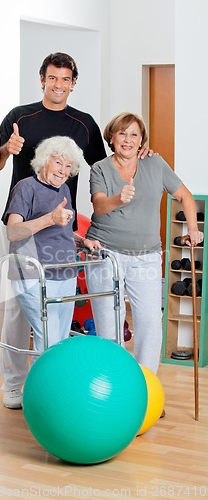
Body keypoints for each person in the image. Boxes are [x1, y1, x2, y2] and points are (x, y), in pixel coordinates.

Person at [0, 52, 152, 409]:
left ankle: (48, 383)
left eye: (65, 79)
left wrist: (137, 153)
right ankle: (13, 384)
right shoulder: (19, 117)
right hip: (23, 224)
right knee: (18, 312)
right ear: (42, 79)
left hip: (61, 227)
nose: (58, 85)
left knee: (57, 314)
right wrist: (8, 148)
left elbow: (107, 163)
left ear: (72, 83)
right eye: (52, 77)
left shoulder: (83, 123)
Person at [84, 112, 203, 378]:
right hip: (105, 253)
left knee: (150, 321)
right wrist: (119, 199)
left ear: (142, 141)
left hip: (146, 255)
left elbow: (184, 196)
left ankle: (146, 388)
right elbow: (99, 205)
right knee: (108, 325)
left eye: (134, 134)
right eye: (122, 133)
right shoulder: (100, 168)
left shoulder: (155, 163)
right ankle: (115, 385)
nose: (128, 139)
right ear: (111, 138)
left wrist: (193, 229)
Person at [3, 136, 101, 363]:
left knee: (59, 338)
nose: (63, 170)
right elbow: (13, 231)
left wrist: (81, 241)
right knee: (48, 337)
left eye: (68, 166)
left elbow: (61, 232)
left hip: (64, 272)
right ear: (44, 160)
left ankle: (55, 391)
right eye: (58, 162)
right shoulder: (26, 188)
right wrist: (49, 218)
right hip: (33, 274)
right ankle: (44, 394)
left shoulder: (64, 190)